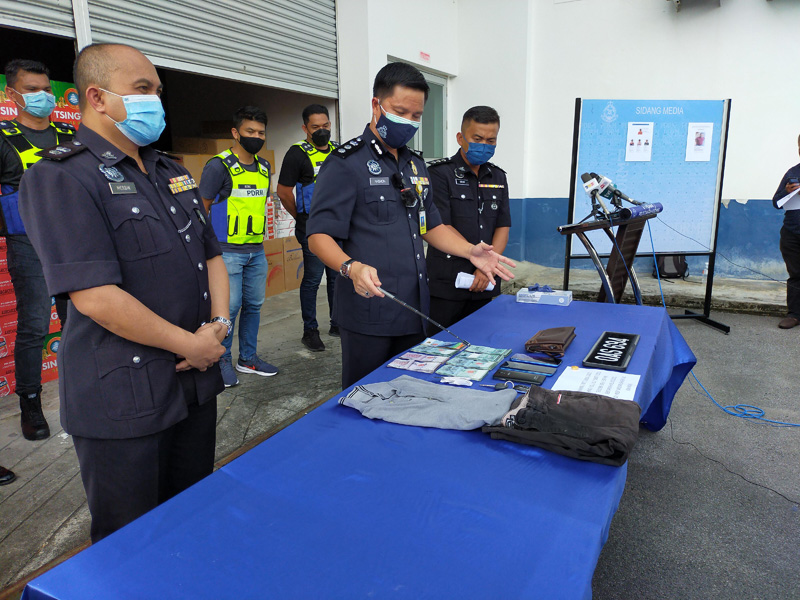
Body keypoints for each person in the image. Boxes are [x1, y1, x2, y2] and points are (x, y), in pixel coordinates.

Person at [19, 43, 229, 542]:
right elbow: (95, 297)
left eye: (156, 90)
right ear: (97, 97)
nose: (155, 100)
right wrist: (191, 345)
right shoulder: (60, 177)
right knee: (129, 542)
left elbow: (211, 256)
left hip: (194, 383)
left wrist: (219, 326)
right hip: (124, 396)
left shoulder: (171, 170)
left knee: (189, 522)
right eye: (142, 89)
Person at [307, 62, 515, 388]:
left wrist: (470, 251)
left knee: (411, 394)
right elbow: (318, 235)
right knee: (366, 397)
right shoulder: (346, 164)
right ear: (377, 105)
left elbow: (430, 224)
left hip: (415, 308)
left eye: (416, 115)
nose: (408, 121)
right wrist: (350, 267)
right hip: (369, 313)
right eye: (400, 111)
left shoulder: (415, 165)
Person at [0, 59, 75, 442]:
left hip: (73, 242)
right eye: (32, 90)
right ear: (12, 94)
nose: (42, 96)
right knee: (33, 325)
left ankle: (83, 391)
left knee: (79, 319)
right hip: (28, 244)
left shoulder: (70, 135)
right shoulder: (3, 138)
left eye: (46, 90)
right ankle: (30, 403)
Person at [200, 107, 278, 386]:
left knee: (254, 306)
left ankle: (248, 358)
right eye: (250, 131)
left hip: (256, 251)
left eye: (261, 133)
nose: (256, 137)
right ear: (235, 133)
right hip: (226, 252)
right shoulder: (218, 166)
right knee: (227, 310)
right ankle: (220, 360)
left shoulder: (265, 168)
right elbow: (201, 210)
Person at [425, 106, 511, 333]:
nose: (484, 145)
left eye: (491, 141)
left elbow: (502, 226)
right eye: (477, 139)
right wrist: (476, 257)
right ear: (460, 138)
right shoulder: (439, 174)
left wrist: (485, 268)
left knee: (481, 342)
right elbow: (440, 225)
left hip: (485, 279)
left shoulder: (498, 176)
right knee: (440, 344)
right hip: (447, 281)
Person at [276, 104, 339, 351]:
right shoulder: (296, 154)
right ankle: (310, 330)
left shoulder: (338, 151)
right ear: (305, 128)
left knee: (336, 276)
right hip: (312, 227)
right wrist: (301, 217)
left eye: (326, 125)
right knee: (313, 278)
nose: (322, 130)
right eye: (315, 127)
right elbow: (283, 192)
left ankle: (337, 323)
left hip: (337, 226)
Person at [772, 134, 800, 329]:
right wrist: (787, 191)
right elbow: (776, 202)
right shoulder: (792, 173)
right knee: (796, 273)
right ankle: (795, 314)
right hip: (791, 233)